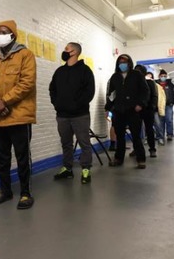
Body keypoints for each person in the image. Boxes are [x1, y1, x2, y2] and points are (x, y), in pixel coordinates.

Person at [0, 20, 37, 209]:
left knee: (22, 156)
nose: (0, 35)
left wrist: (3, 101)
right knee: (2, 157)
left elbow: (26, 83)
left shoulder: (25, 55)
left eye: (4, 32)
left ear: (13, 34)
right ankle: (5, 191)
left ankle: (25, 193)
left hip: (19, 115)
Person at [49, 42, 95, 184]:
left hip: (80, 115)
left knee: (84, 143)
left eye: (67, 49)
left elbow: (89, 92)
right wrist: (57, 104)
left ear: (74, 52)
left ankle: (86, 169)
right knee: (66, 143)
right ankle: (67, 169)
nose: (64, 51)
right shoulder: (59, 71)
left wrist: (76, 105)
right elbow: (52, 89)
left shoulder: (85, 71)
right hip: (62, 115)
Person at [105, 54, 149, 169]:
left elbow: (145, 91)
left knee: (136, 136)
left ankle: (141, 159)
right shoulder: (115, 77)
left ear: (129, 63)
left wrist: (141, 104)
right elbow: (111, 95)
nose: (122, 64)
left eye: (124, 62)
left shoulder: (137, 75)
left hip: (133, 110)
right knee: (120, 136)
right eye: (120, 62)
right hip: (118, 110)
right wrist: (108, 109)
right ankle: (118, 158)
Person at [133, 65, 158, 158]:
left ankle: (152, 149)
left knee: (149, 130)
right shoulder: (133, 83)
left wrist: (152, 106)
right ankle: (137, 149)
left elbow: (154, 96)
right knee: (135, 131)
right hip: (136, 111)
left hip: (148, 110)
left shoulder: (150, 82)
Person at [146, 71, 166, 146]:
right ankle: (146, 138)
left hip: (154, 109)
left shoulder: (157, 86)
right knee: (146, 126)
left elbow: (162, 98)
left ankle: (160, 138)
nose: (149, 78)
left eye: (150, 77)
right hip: (144, 109)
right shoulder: (142, 85)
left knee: (158, 124)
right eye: (147, 76)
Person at [156, 69, 174, 141]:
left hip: (168, 105)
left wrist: (172, 102)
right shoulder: (156, 85)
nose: (163, 77)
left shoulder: (170, 85)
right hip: (159, 106)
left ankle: (170, 134)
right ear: (159, 76)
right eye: (162, 76)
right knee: (161, 121)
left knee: (169, 120)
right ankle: (161, 135)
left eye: (165, 76)